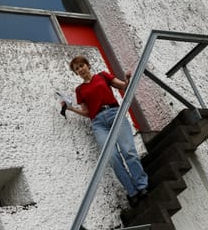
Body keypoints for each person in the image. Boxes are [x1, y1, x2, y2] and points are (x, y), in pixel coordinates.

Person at [63, 55, 150, 207]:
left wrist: (127, 78)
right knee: (112, 158)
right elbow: (86, 112)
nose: (80, 69)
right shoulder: (80, 90)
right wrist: (70, 108)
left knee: (128, 151)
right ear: (76, 73)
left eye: (81, 65)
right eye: (77, 69)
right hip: (98, 123)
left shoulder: (103, 76)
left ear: (88, 65)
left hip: (115, 113)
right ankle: (132, 191)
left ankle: (142, 185)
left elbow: (123, 86)